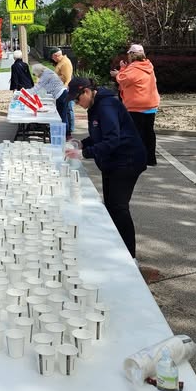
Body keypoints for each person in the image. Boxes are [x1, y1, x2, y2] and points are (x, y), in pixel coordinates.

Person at [67, 77, 147, 258]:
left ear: (87, 91)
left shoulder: (106, 106)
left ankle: (130, 256)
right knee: (110, 207)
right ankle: (116, 248)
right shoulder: (95, 105)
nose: (77, 104)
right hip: (112, 161)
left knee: (119, 208)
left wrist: (84, 153)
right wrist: (82, 143)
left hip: (127, 160)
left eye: (77, 99)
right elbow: (99, 135)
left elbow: (112, 139)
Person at [111, 44, 160, 167]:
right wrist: (124, 69)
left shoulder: (134, 68)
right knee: (149, 132)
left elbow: (124, 80)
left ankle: (137, 159)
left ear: (132, 55)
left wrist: (119, 72)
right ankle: (151, 159)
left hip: (137, 105)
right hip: (151, 104)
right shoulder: (148, 65)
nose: (127, 56)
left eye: (129, 54)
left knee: (136, 133)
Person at [50, 49, 75, 133]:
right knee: (65, 111)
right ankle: (67, 129)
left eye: (53, 57)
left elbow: (68, 79)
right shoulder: (61, 62)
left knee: (67, 110)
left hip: (64, 91)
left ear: (56, 56)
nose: (53, 59)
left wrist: (64, 90)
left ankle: (69, 130)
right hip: (61, 90)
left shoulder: (65, 63)